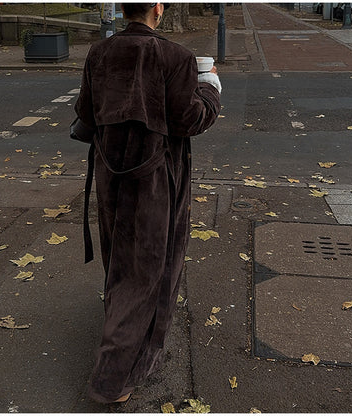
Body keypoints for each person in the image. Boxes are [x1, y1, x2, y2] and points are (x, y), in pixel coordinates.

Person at [74, 2, 222, 404]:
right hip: (155, 180)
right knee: (150, 272)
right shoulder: (177, 57)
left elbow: (84, 111)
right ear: (158, 8)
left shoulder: (99, 52)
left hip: (110, 173)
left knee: (121, 262)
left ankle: (118, 337)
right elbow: (189, 119)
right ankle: (113, 379)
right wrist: (209, 88)